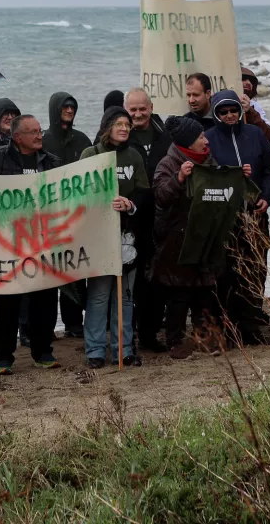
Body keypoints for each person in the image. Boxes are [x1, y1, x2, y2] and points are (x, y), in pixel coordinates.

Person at [0, 115, 63, 374]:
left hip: (42, 241)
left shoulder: (51, 161)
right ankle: (2, 357)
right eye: (32, 132)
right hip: (7, 244)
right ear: (17, 137)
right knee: (7, 303)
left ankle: (43, 352)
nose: (38, 136)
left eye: (40, 131)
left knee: (44, 300)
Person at [204, 90, 270, 343]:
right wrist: (229, 173)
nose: (229, 115)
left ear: (240, 110)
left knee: (256, 269)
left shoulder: (255, 135)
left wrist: (267, 197)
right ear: (215, 114)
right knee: (227, 273)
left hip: (256, 214)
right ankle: (229, 328)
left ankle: (251, 327)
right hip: (225, 218)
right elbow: (205, 177)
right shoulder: (209, 139)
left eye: (233, 110)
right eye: (223, 112)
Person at [80, 108, 149, 368]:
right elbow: (79, 193)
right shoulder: (90, 154)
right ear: (106, 126)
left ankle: (124, 349)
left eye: (127, 125)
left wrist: (129, 204)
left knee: (125, 295)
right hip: (98, 235)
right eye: (119, 124)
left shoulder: (134, 156)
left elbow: (144, 191)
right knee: (98, 295)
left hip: (126, 236)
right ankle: (95, 352)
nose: (124, 128)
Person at [152, 116, 223, 358]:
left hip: (203, 239)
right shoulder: (168, 164)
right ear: (188, 143)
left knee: (204, 293)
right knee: (179, 296)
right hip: (176, 242)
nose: (206, 141)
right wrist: (179, 179)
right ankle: (175, 342)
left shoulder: (209, 161)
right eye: (200, 137)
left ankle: (203, 340)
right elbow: (161, 196)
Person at [123, 88, 172, 351]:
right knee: (131, 283)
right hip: (129, 222)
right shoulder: (117, 137)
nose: (139, 114)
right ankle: (127, 337)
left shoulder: (166, 136)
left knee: (158, 280)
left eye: (143, 109)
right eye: (133, 110)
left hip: (161, 219)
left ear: (151, 107)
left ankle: (150, 335)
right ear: (125, 109)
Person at [42, 92, 91, 338]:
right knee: (50, 274)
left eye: (73, 106)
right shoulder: (43, 140)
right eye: (65, 107)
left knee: (76, 269)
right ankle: (46, 327)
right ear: (55, 109)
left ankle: (74, 324)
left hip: (78, 215)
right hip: (51, 217)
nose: (70, 110)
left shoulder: (82, 140)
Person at [239, 68, 270, 142]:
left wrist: (250, 112)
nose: (248, 83)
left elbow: (269, 137)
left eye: (250, 81)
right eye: (243, 79)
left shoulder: (255, 106)